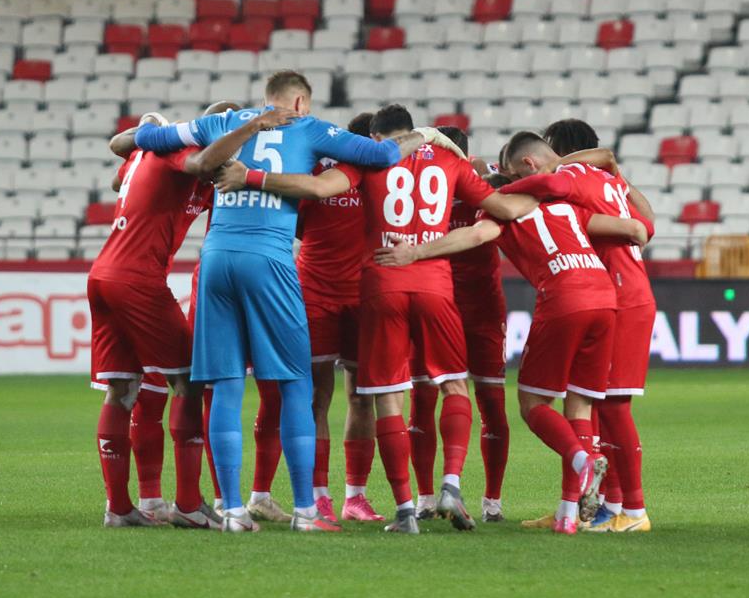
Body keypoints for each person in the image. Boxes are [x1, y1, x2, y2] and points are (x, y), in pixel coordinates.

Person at [131, 72, 440, 533]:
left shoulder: (225, 122)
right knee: (296, 384)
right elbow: (379, 154)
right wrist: (425, 136)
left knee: (228, 386)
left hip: (215, 259)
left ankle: (232, 511)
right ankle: (306, 511)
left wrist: (140, 133)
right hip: (269, 260)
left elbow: (147, 138)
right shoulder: (309, 128)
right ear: (299, 100)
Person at [215, 106, 536, 534]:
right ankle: (450, 485)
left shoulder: (365, 161)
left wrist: (250, 178)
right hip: (431, 286)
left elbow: (314, 188)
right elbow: (502, 208)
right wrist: (554, 187)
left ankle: (402, 509)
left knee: (384, 397)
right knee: (452, 385)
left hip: (380, 285)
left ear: (375, 136)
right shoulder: (449, 159)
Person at [374, 158, 648, 533]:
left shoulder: (502, 214)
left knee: (534, 405)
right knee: (579, 405)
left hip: (564, 297)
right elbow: (633, 227)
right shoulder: (568, 208)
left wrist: (416, 253)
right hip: (606, 298)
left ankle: (583, 459)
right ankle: (568, 517)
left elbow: (472, 236)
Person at [90, 108, 289, 528]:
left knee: (123, 389)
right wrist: (251, 126)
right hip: (139, 278)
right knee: (189, 381)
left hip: (103, 274)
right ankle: (188, 504)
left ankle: (120, 509)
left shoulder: (154, 162)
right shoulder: (176, 152)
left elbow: (121, 173)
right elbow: (195, 161)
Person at [501, 125, 657, 533]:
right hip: (622, 291)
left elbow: (547, 185)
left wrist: (493, 187)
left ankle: (632, 510)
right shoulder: (607, 182)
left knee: (610, 405)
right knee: (592, 402)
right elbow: (646, 226)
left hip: (616, 293)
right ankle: (602, 505)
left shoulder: (567, 181)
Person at [406, 127, 512, 523]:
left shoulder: (475, 185)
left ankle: (438, 499)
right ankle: (478, 502)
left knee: (432, 401)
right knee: (482, 403)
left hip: (450, 305)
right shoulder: (468, 185)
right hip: (453, 305)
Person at [294, 111, 385, 523]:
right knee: (318, 396)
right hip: (315, 292)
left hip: (362, 294)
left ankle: (354, 496)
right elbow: (297, 221)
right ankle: (319, 495)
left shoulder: (380, 177)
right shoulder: (315, 170)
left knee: (358, 395)